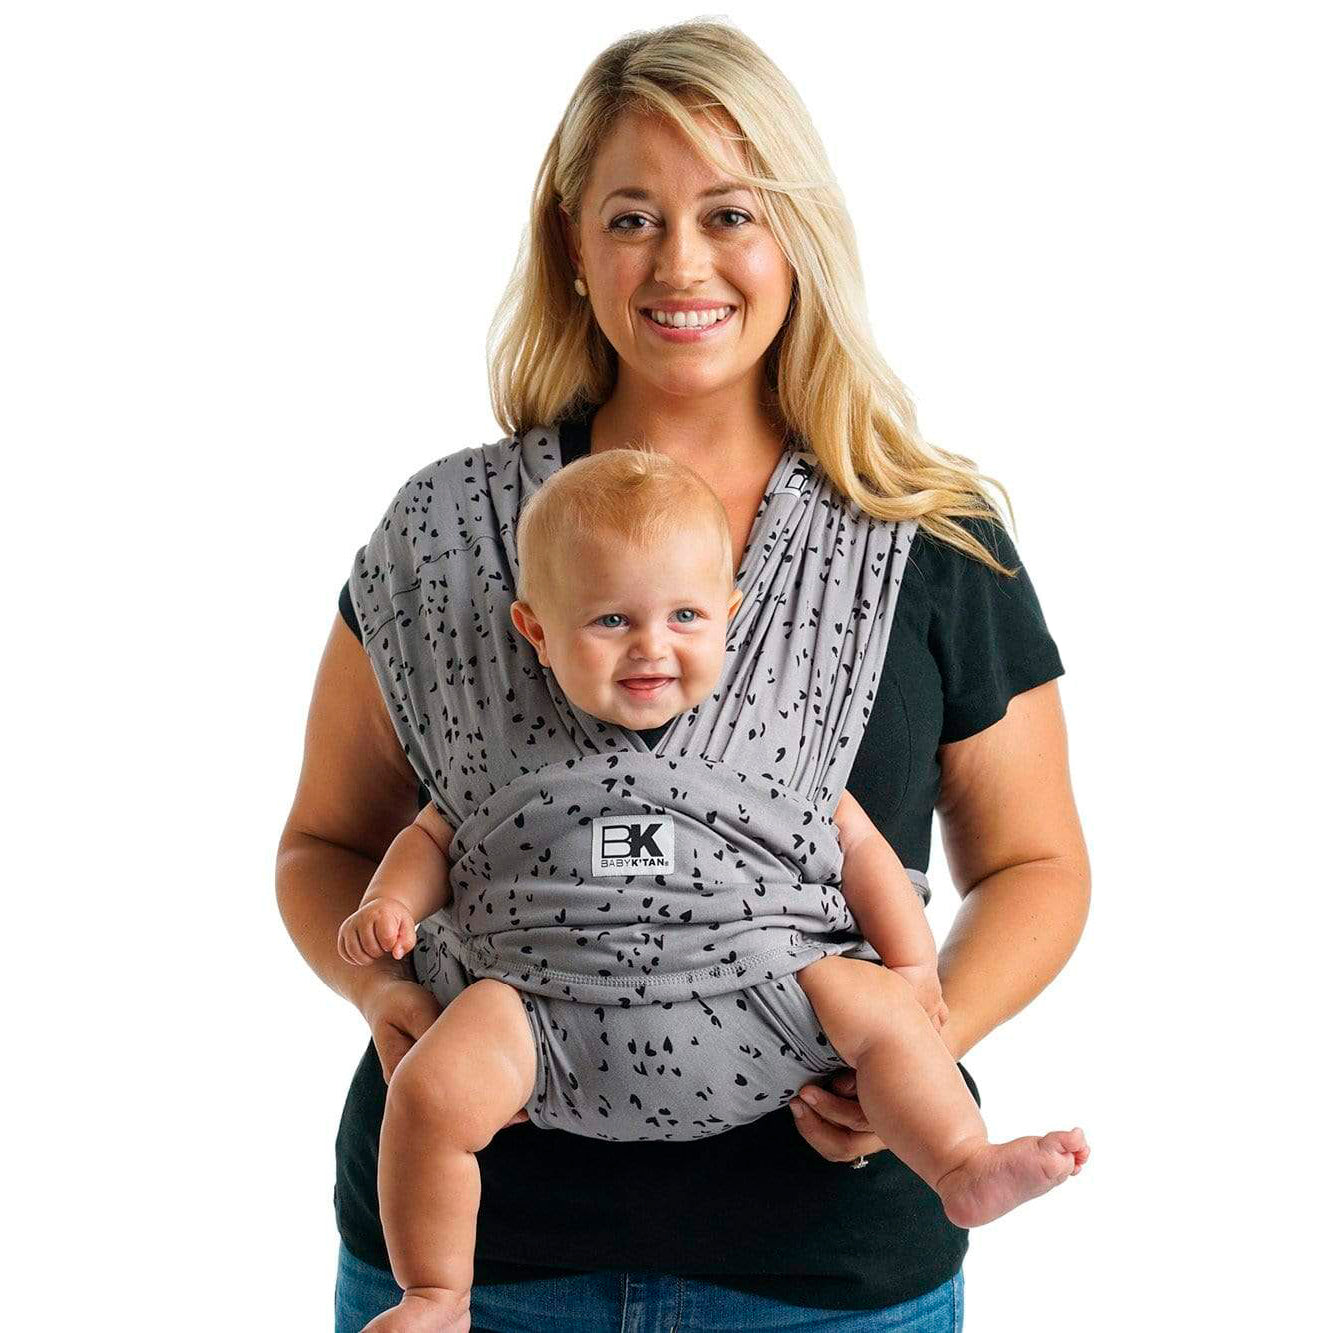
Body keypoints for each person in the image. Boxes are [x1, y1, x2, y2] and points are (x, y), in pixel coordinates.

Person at [276, 19, 1091, 1333]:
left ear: (797, 237)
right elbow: (326, 841)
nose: (683, 263)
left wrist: (915, 1051)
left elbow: (1036, 867)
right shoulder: (447, 539)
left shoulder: (923, 538)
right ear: (572, 246)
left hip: (824, 1273)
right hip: (485, 1266)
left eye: (730, 212)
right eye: (632, 219)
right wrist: (380, 988)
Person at [335, 444, 1088, 1331]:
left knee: (876, 1008)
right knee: (428, 1091)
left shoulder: (781, 741)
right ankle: (435, 1289)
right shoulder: (507, 737)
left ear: (733, 617)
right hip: (538, 1018)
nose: (652, 646)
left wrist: (916, 974)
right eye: (609, 621)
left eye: (686, 616)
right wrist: (387, 918)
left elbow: (865, 854)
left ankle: (961, 1162)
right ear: (534, 630)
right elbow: (427, 836)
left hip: (772, 1012)